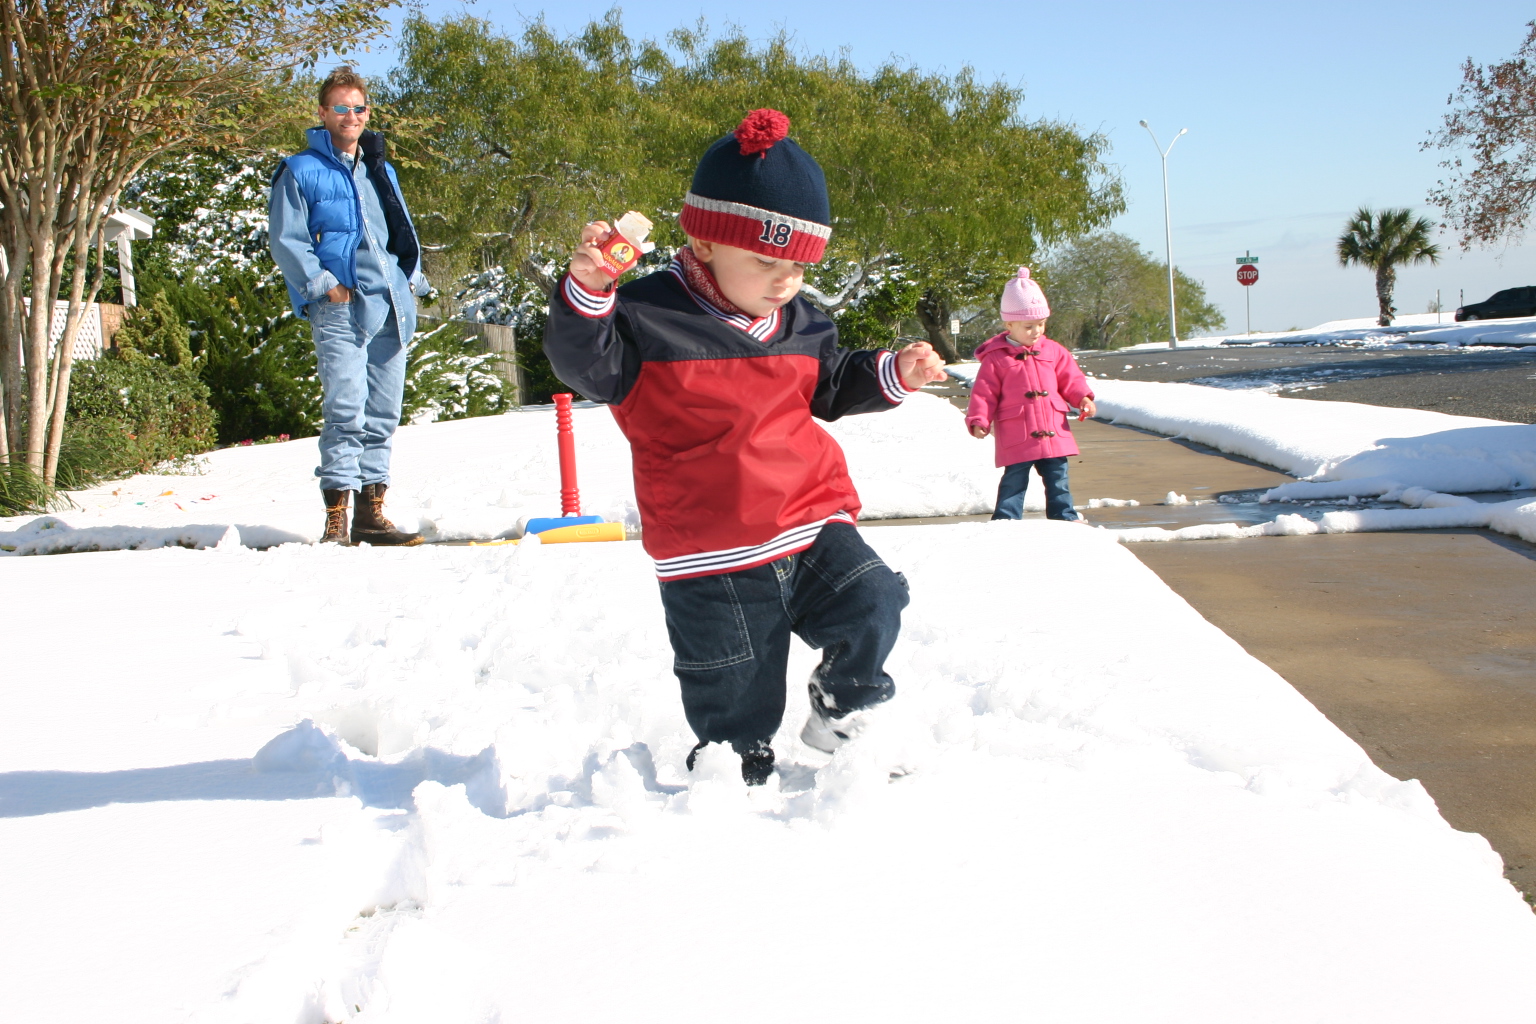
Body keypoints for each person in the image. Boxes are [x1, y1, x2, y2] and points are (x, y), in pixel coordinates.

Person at [544, 109, 948, 786]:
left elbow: (831, 383)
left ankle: (844, 707)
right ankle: (734, 783)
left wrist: (892, 374)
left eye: (799, 264)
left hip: (811, 520)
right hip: (712, 551)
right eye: (765, 261)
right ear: (703, 242)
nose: (785, 280)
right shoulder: (645, 319)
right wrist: (588, 292)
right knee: (735, 699)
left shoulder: (801, 321)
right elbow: (583, 364)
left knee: (875, 600)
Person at [268, 65, 430, 546]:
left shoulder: (380, 168)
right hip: (340, 307)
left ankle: (370, 516)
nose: (351, 116)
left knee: (383, 413)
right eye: (341, 108)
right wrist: (323, 286)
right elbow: (287, 239)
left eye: (358, 108)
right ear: (323, 113)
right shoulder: (300, 169)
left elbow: (399, 228)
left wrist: (411, 278)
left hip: (391, 303)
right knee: (345, 410)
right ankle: (336, 521)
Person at [964, 267, 1097, 521]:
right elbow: (984, 393)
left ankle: (1064, 517)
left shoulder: (1054, 351)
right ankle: (1006, 519)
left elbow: (1071, 379)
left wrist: (1083, 398)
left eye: (1041, 324)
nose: (1036, 331)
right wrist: (979, 419)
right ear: (1009, 324)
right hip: (1018, 432)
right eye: (1028, 326)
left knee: (1058, 478)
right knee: (1014, 479)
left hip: (1052, 430)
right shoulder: (996, 358)